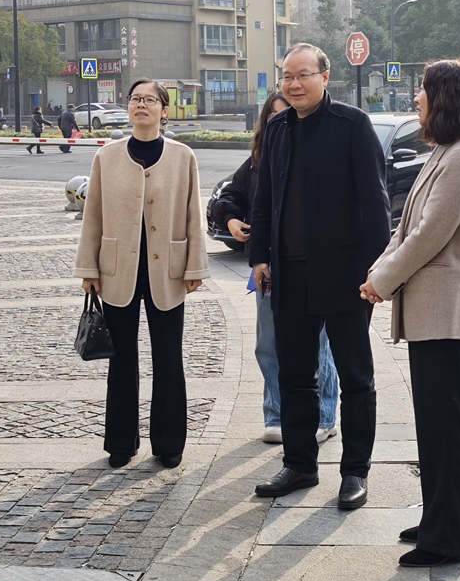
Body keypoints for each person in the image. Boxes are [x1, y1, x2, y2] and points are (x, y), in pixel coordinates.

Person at [360, 59, 460, 568]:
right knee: (436, 425)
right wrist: (379, 272)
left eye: (423, 90)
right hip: (433, 309)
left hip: (448, 309)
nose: (416, 98)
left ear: (445, 97)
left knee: (449, 427)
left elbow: (428, 235)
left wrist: (382, 281)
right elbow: (405, 228)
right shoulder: (447, 150)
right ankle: (443, 517)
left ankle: (450, 537)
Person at [249, 43, 390, 510]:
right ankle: (300, 464)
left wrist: (376, 269)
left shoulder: (353, 125)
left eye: (303, 75)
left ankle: (355, 472)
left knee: (356, 379)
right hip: (288, 274)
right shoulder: (277, 128)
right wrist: (259, 256)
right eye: (287, 76)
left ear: (325, 77)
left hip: (345, 276)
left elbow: (375, 203)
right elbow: (265, 199)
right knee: (294, 375)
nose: (293, 85)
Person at [74, 78, 210, 469]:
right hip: (118, 269)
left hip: (167, 270)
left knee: (168, 357)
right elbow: (93, 215)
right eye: (136, 99)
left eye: (151, 100)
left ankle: (168, 443)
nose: (142, 105)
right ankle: (121, 442)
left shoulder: (183, 157)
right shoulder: (107, 157)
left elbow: (193, 214)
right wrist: (88, 268)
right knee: (121, 358)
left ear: (164, 111)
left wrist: (195, 266)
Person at [211, 92, 339, 445]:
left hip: (312, 265)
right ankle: (276, 414)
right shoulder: (258, 160)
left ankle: (325, 415)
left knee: (318, 344)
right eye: (273, 117)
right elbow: (228, 195)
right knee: (267, 343)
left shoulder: (318, 153)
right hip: (267, 266)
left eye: (288, 114)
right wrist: (232, 219)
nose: (281, 122)